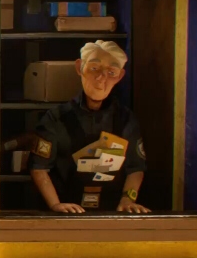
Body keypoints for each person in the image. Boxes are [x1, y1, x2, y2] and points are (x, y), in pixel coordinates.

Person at [28, 40, 150, 213]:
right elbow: (39, 168)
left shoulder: (126, 120)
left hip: (111, 212)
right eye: (94, 68)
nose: (101, 78)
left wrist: (127, 200)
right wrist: (55, 205)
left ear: (120, 76)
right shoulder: (56, 119)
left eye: (111, 72)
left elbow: (136, 168)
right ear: (80, 67)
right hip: (67, 211)